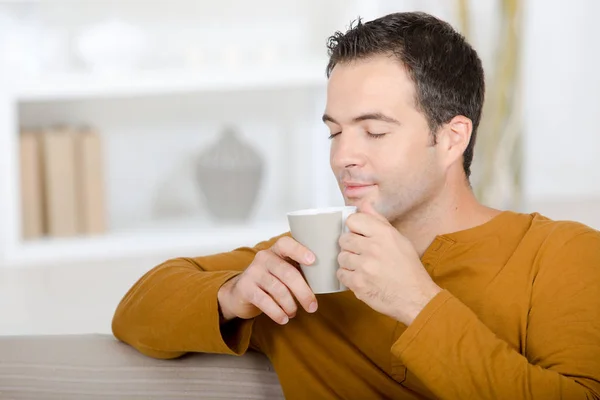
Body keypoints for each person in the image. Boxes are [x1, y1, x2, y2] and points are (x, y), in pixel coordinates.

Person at [112, 11, 600, 399]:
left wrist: (417, 302)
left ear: (452, 139)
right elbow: (136, 308)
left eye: (375, 131)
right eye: (334, 132)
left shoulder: (561, 254)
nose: (343, 156)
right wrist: (232, 295)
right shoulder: (312, 260)